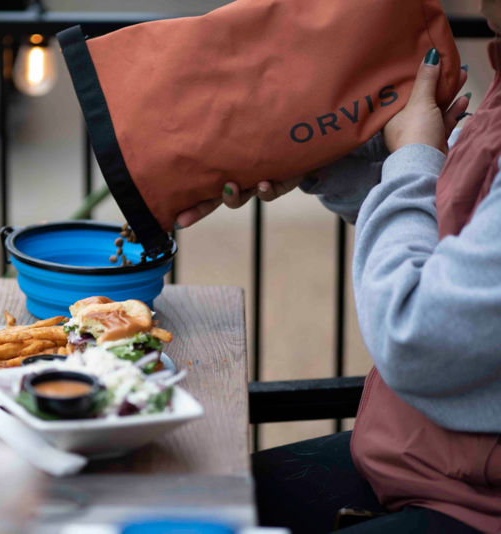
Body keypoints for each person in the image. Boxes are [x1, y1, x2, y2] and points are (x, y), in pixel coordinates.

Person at [175, 1, 501, 532]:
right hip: (419, 458)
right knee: (194, 506)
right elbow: (440, 222)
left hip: (470, 498)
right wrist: (317, 158)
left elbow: (415, 335)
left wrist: (413, 158)